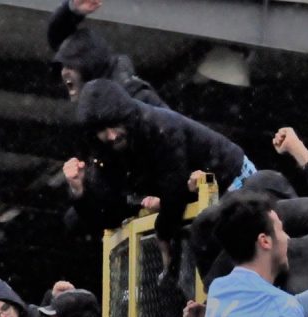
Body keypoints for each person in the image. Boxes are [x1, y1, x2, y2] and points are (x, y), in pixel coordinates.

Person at [75, 79, 255, 271]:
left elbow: (174, 187)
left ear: (125, 115)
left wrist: (163, 232)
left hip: (233, 178)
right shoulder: (116, 146)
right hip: (202, 194)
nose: (111, 135)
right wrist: (79, 192)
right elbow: (112, 209)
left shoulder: (161, 128)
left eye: (114, 125)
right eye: (102, 130)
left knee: (238, 260)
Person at [47, 0, 166, 107]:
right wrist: (71, 9)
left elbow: (171, 123)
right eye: (63, 66)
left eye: (69, 65)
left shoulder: (135, 98)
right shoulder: (96, 101)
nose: (64, 72)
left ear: (87, 65)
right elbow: (59, 38)